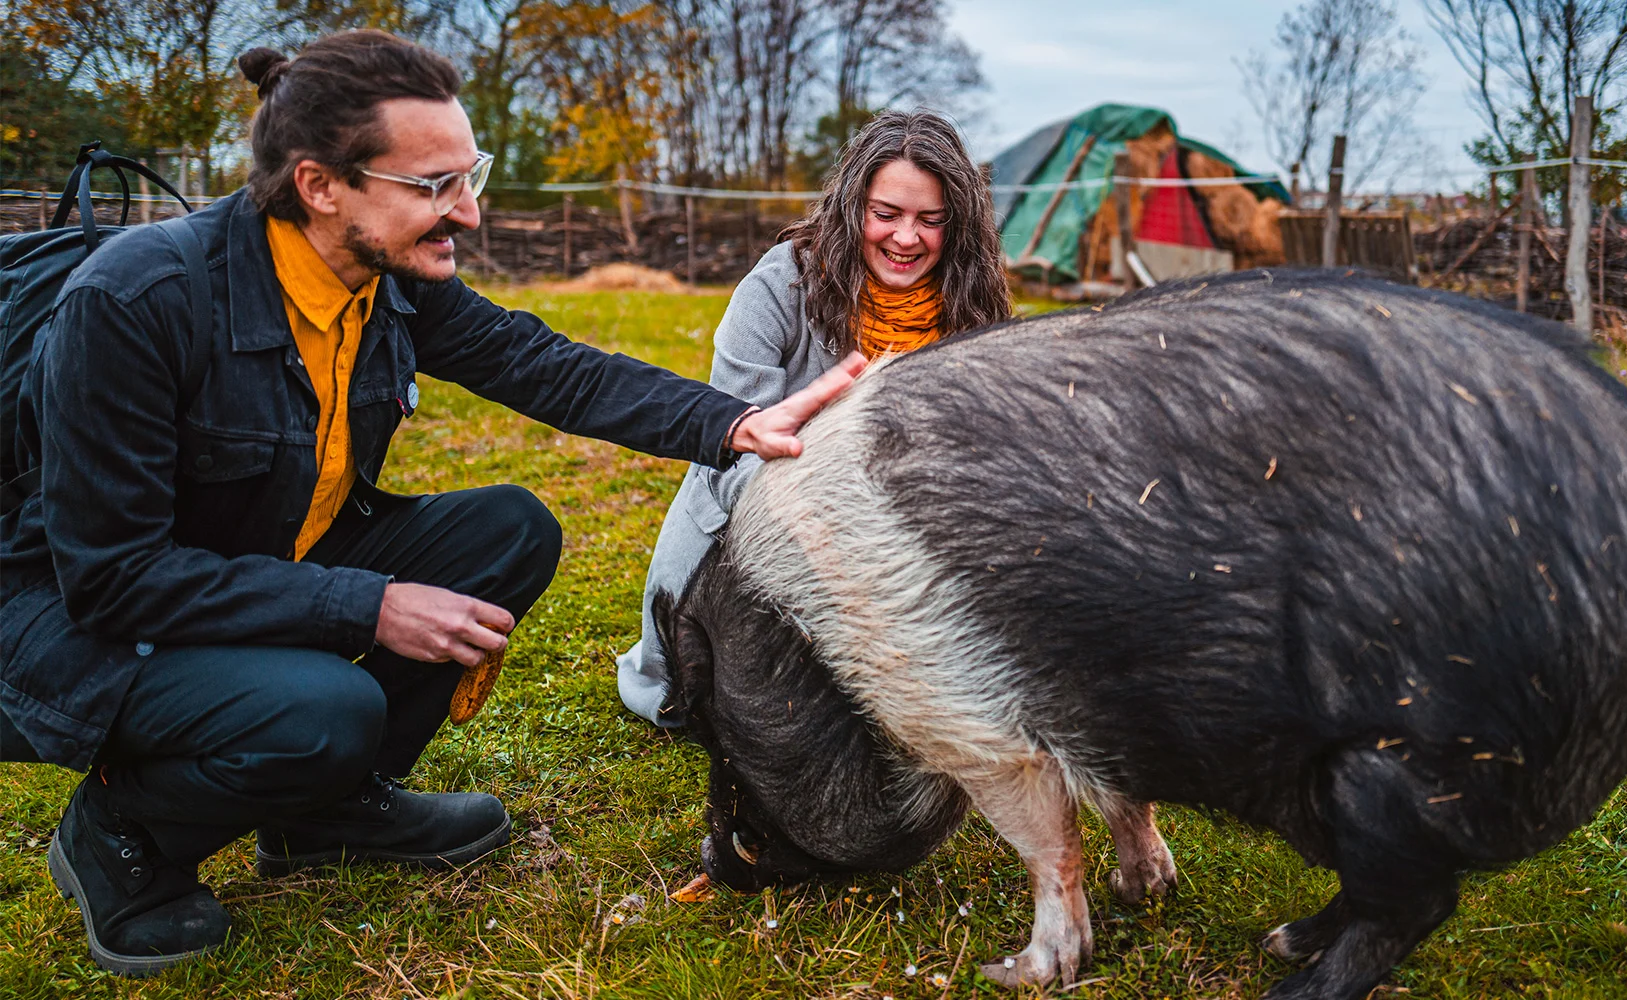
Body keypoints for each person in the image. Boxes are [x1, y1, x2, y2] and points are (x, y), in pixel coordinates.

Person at [0, 30, 861, 976]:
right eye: (434, 185)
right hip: (72, 618)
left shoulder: (387, 278)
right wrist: (369, 605)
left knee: (509, 532)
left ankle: (326, 813)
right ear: (320, 185)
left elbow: (543, 365)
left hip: (254, 561)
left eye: (470, 175)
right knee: (324, 712)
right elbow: (114, 579)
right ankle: (121, 834)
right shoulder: (139, 301)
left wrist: (734, 424)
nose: (471, 211)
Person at [615, 110, 1011, 726]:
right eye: (887, 214)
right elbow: (732, 451)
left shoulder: (973, 308)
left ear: (957, 225)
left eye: (931, 220)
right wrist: (847, 538)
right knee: (738, 708)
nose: (907, 238)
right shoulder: (779, 287)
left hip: (911, 542)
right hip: (761, 529)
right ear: (854, 207)